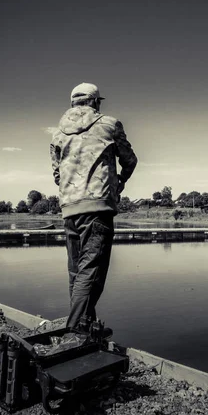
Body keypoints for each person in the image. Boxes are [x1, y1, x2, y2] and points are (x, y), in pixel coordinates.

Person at [50, 82, 137, 331]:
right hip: (98, 208)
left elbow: (57, 174)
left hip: (69, 209)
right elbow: (129, 160)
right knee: (92, 272)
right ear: (96, 102)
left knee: (77, 272)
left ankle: (85, 326)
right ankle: (77, 330)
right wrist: (119, 182)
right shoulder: (109, 124)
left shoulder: (57, 134)